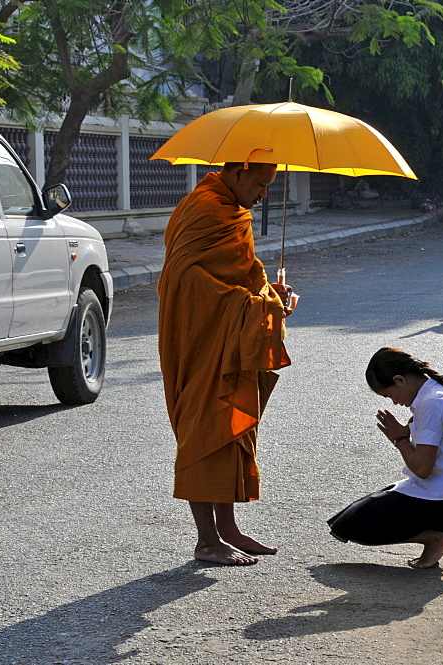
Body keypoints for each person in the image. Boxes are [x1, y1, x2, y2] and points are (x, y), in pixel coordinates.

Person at [157, 161, 296, 566]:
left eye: (269, 185)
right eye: (259, 182)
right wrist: (258, 308)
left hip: (228, 338)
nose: (263, 193)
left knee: (232, 430)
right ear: (236, 172)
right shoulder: (204, 210)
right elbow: (190, 283)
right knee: (204, 432)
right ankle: (206, 541)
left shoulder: (235, 214)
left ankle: (228, 530)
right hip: (199, 340)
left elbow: (243, 276)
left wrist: (271, 294)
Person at [328, 348, 443, 569]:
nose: (393, 402)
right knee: (345, 516)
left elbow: (422, 469)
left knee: (353, 524)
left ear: (400, 380)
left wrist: (400, 439)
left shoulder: (432, 403)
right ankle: (439, 530)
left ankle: (436, 536)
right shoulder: (433, 395)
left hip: (442, 502)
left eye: (389, 395)